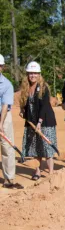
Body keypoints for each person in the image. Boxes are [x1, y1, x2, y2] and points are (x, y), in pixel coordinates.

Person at [19, 61, 57, 180]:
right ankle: (38, 172)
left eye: (35, 73)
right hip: (31, 122)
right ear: (27, 74)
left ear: (39, 74)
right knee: (36, 148)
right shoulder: (26, 87)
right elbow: (26, 103)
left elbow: (44, 106)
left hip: (45, 121)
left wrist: (39, 122)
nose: (33, 76)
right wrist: (23, 111)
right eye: (31, 73)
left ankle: (51, 173)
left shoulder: (43, 87)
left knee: (47, 148)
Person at [0, 54, 19, 188]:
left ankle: (9, 178)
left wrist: (0, 124)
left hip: (3, 117)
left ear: (2, 67)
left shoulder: (6, 84)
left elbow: (5, 106)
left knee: (7, 147)